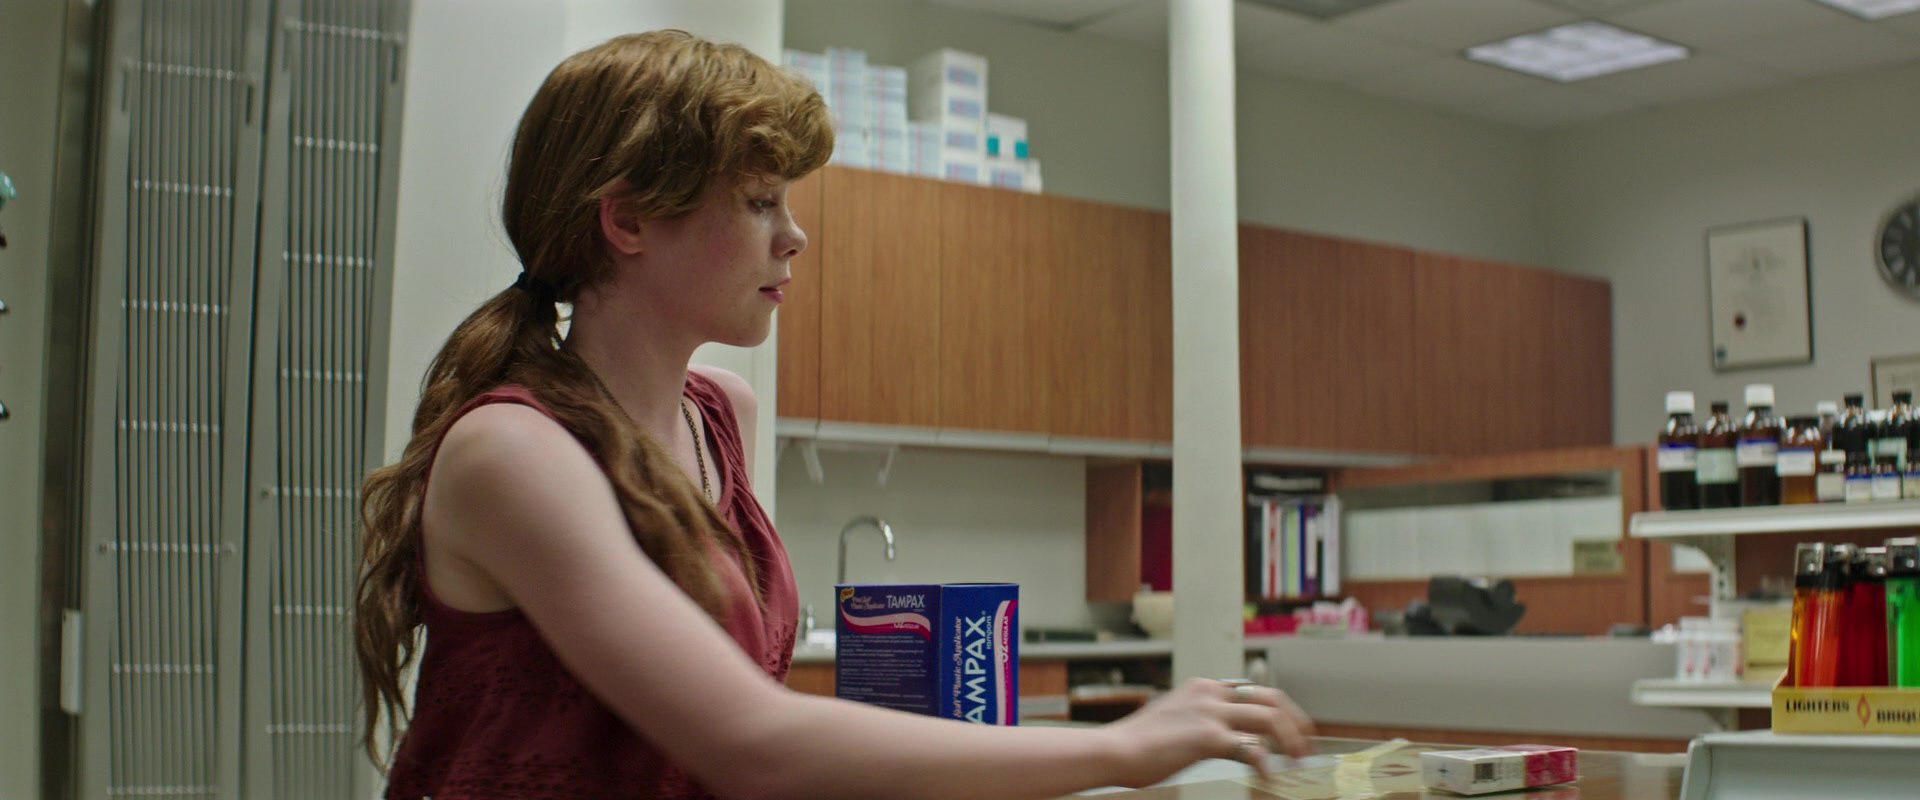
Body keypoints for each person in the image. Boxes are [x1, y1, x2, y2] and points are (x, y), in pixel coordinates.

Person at [354, 29, 1314, 800]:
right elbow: (749, 743)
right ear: (629, 220)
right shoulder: (513, 451)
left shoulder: (722, 418)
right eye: (760, 202)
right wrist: (1123, 748)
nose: (795, 236)